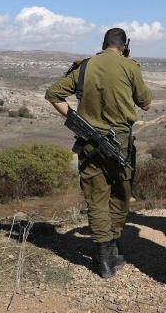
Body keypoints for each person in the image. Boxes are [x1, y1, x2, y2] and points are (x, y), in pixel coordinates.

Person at [45, 28, 152, 279]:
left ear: (104, 44)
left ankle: (105, 255)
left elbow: (53, 94)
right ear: (123, 47)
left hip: (90, 142)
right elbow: (146, 103)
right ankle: (112, 245)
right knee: (120, 194)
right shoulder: (130, 67)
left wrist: (77, 121)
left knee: (96, 197)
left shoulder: (85, 67)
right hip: (121, 142)